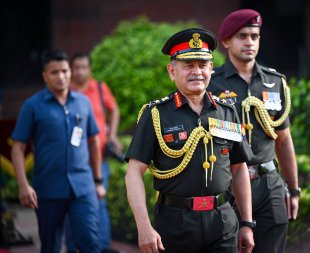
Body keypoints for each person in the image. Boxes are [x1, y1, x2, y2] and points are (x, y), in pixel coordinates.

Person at [125, 28, 256, 253]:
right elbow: (133, 173)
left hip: (223, 221)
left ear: (211, 69)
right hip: (176, 224)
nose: (197, 72)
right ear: (172, 71)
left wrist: (246, 223)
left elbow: (239, 168)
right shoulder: (156, 114)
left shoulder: (227, 111)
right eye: (188, 65)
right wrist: (144, 228)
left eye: (203, 65)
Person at [208, 9, 300, 253]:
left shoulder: (274, 81)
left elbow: (284, 141)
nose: (249, 42)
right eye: (242, 36)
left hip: (269, 183)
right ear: (226, 41)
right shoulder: (211, 83)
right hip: (229, 184)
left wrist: (293, 189)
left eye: (254, 36)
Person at [11, 49, 105, 253]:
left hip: (83, 187)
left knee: (90, 243)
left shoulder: (83, 102)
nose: (60, 76)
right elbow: (17, 148)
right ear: (45, 76)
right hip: (48, 188)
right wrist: (23, 185)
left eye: (64, 71)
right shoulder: (32, 106)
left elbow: (93, 143)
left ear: (70, 72)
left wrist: (97, 181)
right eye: (54, 72)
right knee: (51, 246)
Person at [64, 52, 122, 253]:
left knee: (99, 203)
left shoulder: (98, 88)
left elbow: (114, 109)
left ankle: (103, 246)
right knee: (70, 206)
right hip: (73, 162)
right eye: (76, 67)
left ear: (90, 69)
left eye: (83, 67)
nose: (80, 71)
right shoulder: (64, 91)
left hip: (99, 159)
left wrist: (112, 135)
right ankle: (72, 248)